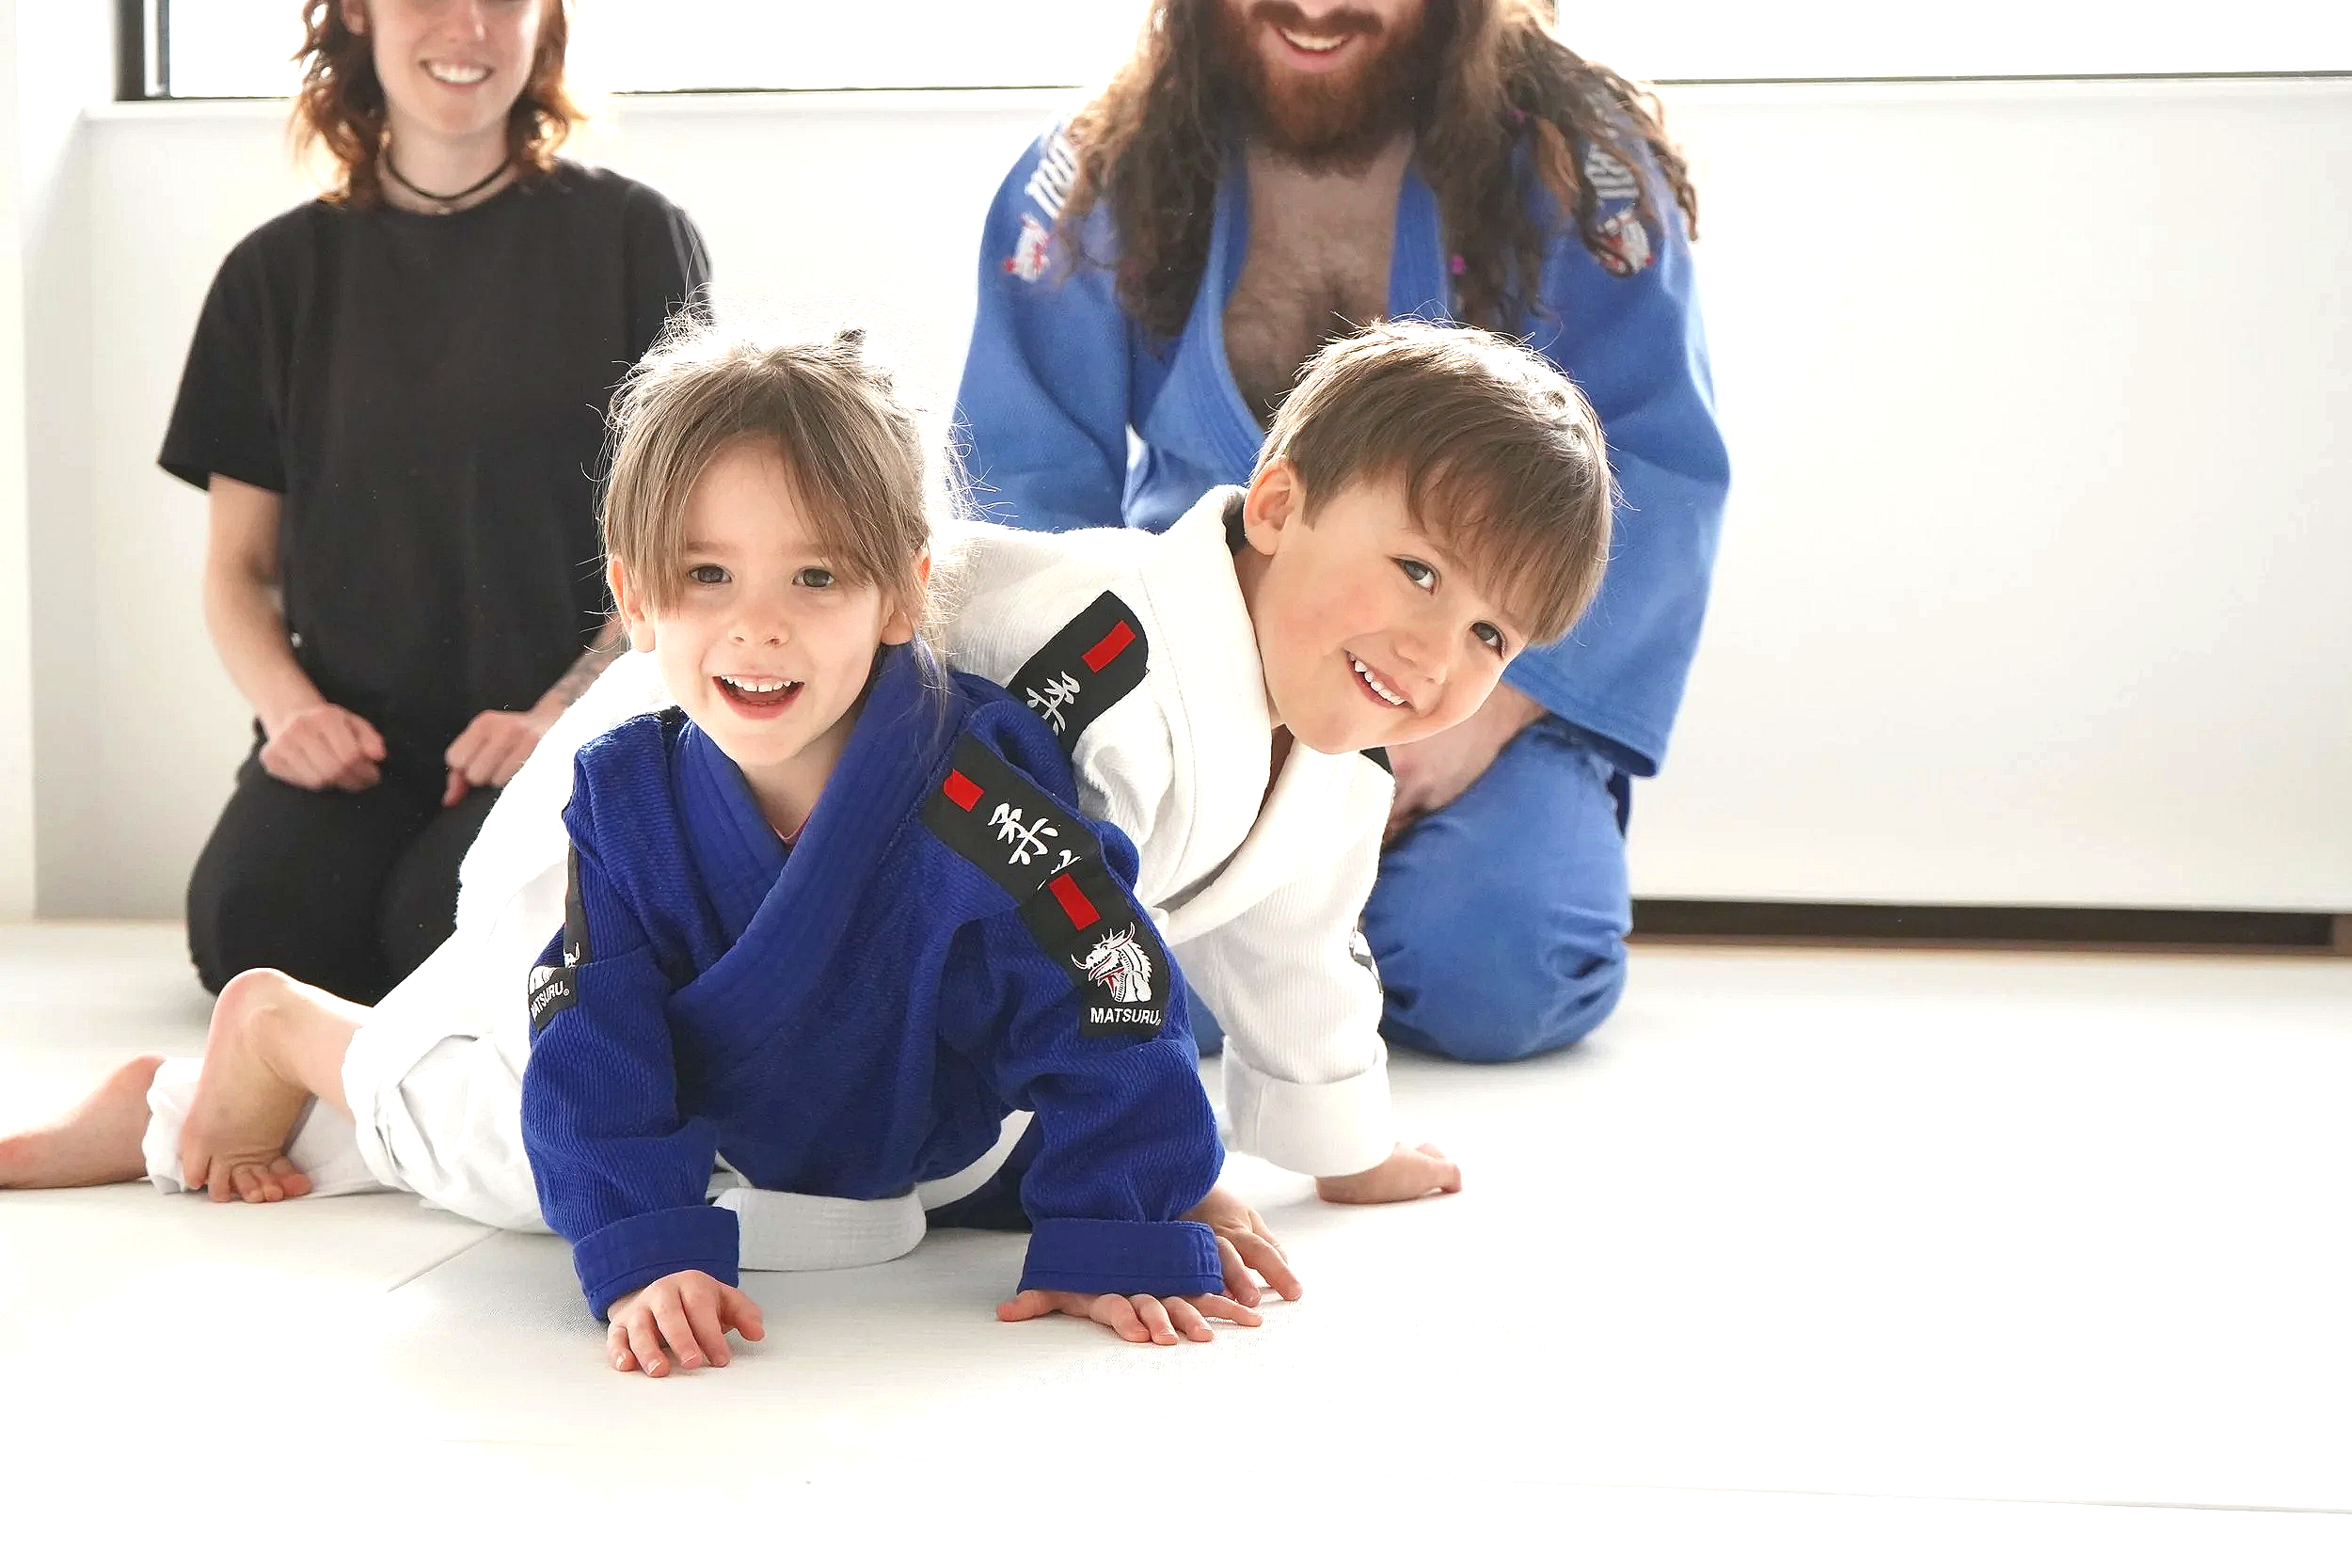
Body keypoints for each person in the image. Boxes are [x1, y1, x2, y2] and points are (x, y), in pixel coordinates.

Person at [0, 329, 1286, 1370]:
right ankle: (268, 1038)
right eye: (707, 575)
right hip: (669, 1069)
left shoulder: (986, 784)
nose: (758, 628)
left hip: (857, 1125)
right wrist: (647, 1241)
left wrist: (1128, 1204)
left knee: (897, 1190)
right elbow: (596, 1037)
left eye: (818, 578)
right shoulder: (626, 797)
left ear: (905, 589)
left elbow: (1105, 989)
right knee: (505, 1155)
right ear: (633, 597)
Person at [456, 317, 1616, 1209]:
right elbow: (1043, 932)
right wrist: (1141, 1164)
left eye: (1489, 636)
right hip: (670, 811)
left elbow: (1294, 954)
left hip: (831, 944)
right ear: (1274, 505)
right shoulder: (1112, 652)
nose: (1433, 653)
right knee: (523, 1138)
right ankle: (318, 1042)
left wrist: (1343, 1149)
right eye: (1417, 570)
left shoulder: (1330, 762)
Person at [954, 0, 1730, 1064]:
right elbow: (1020, 485)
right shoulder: (1092, 173)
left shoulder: (1573, 161)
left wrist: (1482, 711)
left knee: (1503, 971)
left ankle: (1334, 918)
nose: (1316, 7)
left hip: (1468, 689)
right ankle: (1283, 921)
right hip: (1188, 675)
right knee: (1113, 971)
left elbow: (1658, 466)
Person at [167, 0, 709, 1006]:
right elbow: (238, 568)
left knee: (443, 929)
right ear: (359, 18)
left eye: (503, 0)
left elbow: (684, 543)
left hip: (560, 727)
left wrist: (557, 715)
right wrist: (294, 713)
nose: (467, 26)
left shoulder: (637, 239)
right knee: (255, 929)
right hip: (355, 741)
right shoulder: (272, 275)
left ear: (545, 26)